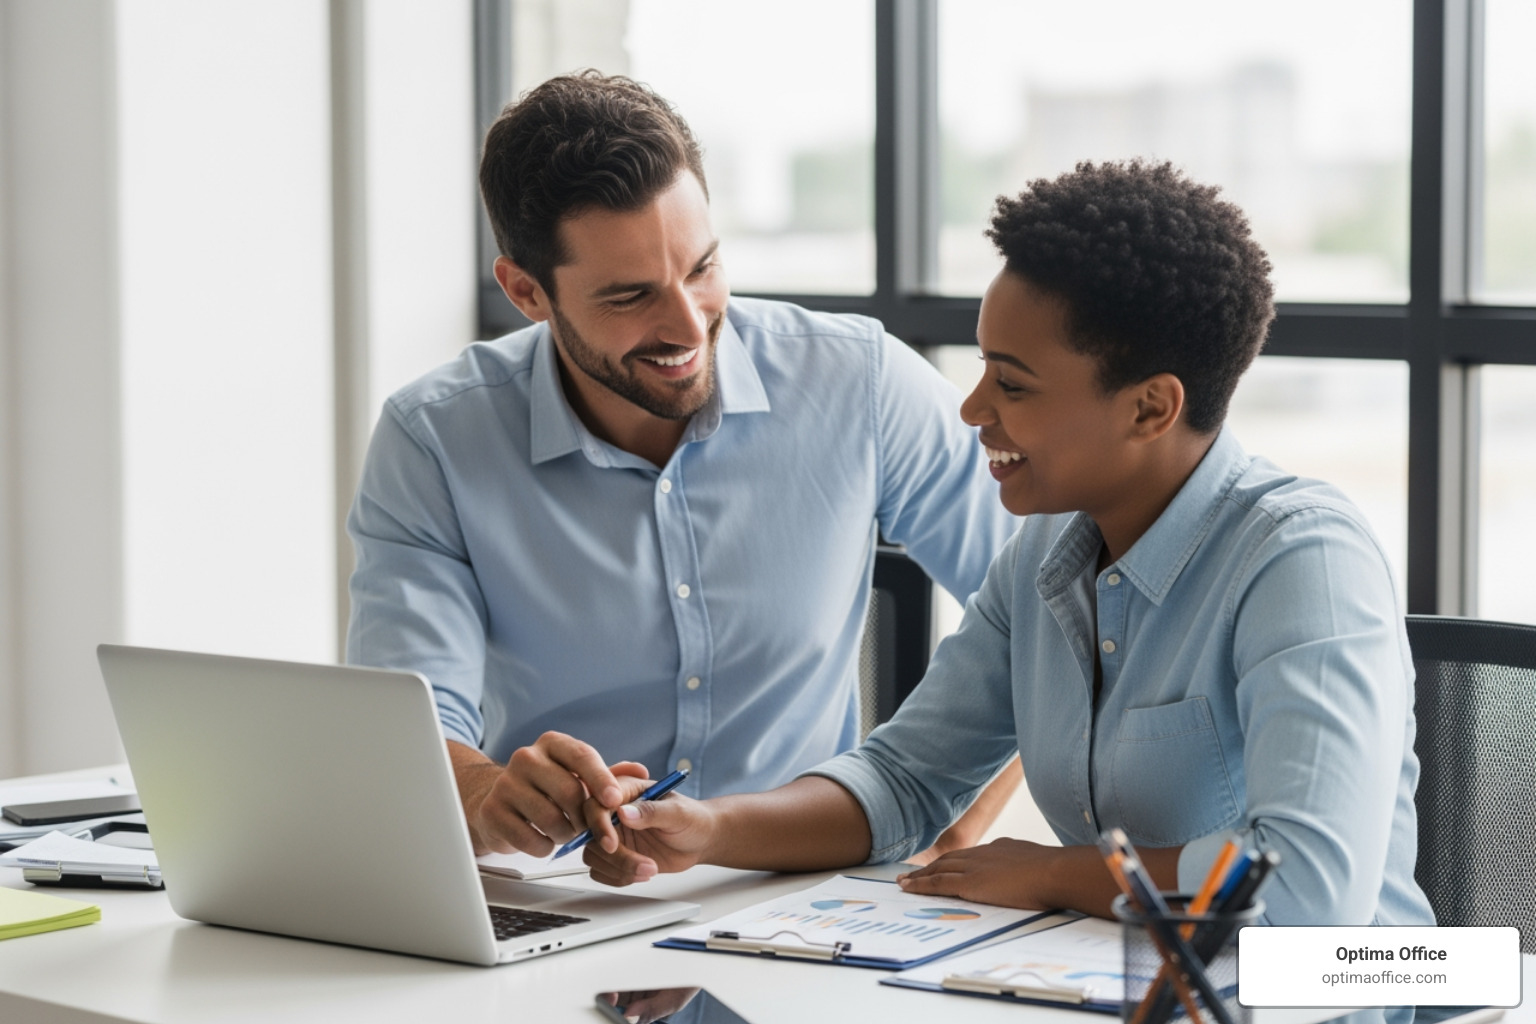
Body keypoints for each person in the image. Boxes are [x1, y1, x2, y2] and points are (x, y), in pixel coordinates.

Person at [580, 159, 1436, 928]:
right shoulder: (1047, 552)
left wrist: (1061, 875)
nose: (973, 408)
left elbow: (1307, 888)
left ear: (1150, 408)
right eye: (984, 367)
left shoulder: (1303, 560)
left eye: (1012, 383)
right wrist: (709, 828)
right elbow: (907, 780)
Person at [344, 71, 1021, 860]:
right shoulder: (434, 440)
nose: (688, 323)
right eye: (629, 297)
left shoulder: (860, 383)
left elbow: (1053, 610)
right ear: (527, 292)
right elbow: (410, 721)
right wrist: (482, 790)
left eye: (701, 268)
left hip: (799, 895)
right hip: (560, 893)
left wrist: (946, 827)